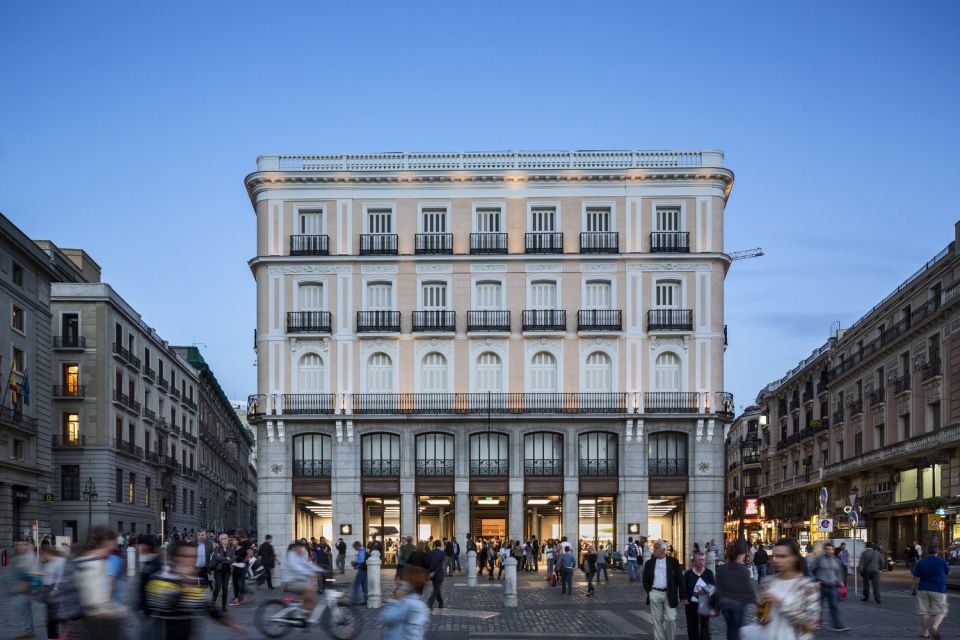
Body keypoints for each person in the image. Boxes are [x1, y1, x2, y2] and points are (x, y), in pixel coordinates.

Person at [146, 541, 246, 640]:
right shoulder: (159, 579)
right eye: (185, 556)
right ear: (174, 558)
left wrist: (231, 624)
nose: (191, 561)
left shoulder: (198, 583)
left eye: (194, 557)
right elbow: (164, 607)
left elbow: (208, 608)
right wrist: (182, 584)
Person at [740, 539, 820, 640]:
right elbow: (763, 614)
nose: (776, 560)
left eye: (782, 556)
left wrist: (781, 603)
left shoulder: (807, 587)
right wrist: (762, 617)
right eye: (774, 556)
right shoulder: (769, 581)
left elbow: (810, 624)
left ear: (794, 558)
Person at [74, 526, 128, 638]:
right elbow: (96, 600)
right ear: (105, 541)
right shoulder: (97, 563)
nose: (114, 545)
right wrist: (116, 610)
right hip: (100, 619)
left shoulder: (81, 559)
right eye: (113, 541)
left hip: (87, 616)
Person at [642, 540, 687, 640]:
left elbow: (680, 579)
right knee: (657, 620)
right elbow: (645, 580)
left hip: (669, 593)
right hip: (655, 593)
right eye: (654, 548)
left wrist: (683, 596)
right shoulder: (649, 563)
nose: (654, 550)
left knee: (671, 619)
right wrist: (650, 591)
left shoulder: (673, 562)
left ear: (663, 550)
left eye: (656, 548)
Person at [807, 542, 849, 632]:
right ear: (825, 550)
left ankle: (837, 625)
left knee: (835, 606)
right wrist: (815, 580)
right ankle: (816, 623)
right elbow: (810, 570)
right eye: (828, 549)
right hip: (821, 586)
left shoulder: (837, 561)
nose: (830, 551)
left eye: (832, 549)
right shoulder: (819, 559)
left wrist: (839, 583)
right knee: (818, 606)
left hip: (832, 586)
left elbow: (839, 573)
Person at [716, 541, 754, 639]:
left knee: (730, 628)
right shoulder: (743, 570)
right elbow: (748, 589)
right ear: (740, 556)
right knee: (738, 630)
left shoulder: (722, 569)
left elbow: (718, 587)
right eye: (743, 555)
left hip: (725, 604)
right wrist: (756, 601)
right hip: (738, 604)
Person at [911, 545, 950, 640]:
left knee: (925, 612)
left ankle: (925, 633)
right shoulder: (942, 561)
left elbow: (916, 577)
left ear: (927, 552)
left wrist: (913, 589)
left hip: (923, 588)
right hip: (939, 589)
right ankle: (934, 627)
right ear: (937, 552)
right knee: (942, 610)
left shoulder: (921, 562)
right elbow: (948, 572)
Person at [381, 565, 430, 640]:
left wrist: (397, 601)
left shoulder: (408, 603)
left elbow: (387, 617)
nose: (398, 581)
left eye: (401, 579)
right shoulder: (415, 602)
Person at [282, 540, 323, 618]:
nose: (302, 549)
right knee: (310, 588)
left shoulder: (300, 555)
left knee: (310, 599)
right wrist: (310, 574)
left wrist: (321, 570)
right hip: (291, 583)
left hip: (299, 582)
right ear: (295, 547)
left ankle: (304, 615)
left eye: (303, 547)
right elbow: (296, 568)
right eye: (301, 547)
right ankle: (304, 613)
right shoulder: (291, 555)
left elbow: (308, 565)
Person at [137, 533, 165, 640]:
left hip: (152, 609)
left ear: (146, 546)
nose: (138, 547)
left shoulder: (153, 564)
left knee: (148, 635)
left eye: (140, 544)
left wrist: (147, 610)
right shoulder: (147, 561)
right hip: (148, 609)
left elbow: (152, 588)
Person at [683, 551, 716, 640]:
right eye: (699, 560)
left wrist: (705, 590)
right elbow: (684, 588)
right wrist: (684, 598)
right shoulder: (688, 574)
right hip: (691, 605)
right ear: (695, 561)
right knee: (692, 626)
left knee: (705, 626)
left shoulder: (709, 573)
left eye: (703, 560)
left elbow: (714, 587)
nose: (701, 562)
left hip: (705, 604)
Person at [211, 533, 235, 611]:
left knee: (225, 589)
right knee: (217, 588)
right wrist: (226, 558)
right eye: (224, 538)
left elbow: (232, 560)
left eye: (227, 538)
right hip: (218, 571)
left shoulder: (230, 549)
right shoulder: (217, 549)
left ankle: (224, 606)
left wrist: (223, 560)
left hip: (227, 572)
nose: (226, 540)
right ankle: (213, 601)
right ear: (221, 541)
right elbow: (216, 558)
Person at [427, 539, 446, 610]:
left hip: (432, 574)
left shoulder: (430, 553)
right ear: (440, 545)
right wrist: (434, 572)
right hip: (438, 574)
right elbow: (440, 565)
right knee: (436, 589)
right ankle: (430, 602)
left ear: (434, 545)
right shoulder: (442, 553)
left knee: (436, 588)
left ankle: (441, 602)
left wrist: (430, 572)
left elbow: (429, 564)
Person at [351, 541, 369, 606]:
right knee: (365, 586)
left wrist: (355, 562)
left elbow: (361, 560)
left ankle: (354, 600)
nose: (355, 549)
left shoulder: (361, 551)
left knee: (356, 585)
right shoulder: (363, 550)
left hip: (362, 570)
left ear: (357, 546)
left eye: (354, 547)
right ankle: (367, 600)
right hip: (365, 570)